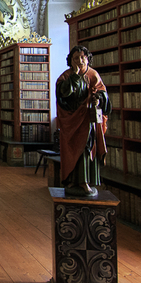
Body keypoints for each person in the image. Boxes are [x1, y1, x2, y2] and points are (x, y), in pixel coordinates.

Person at [55, 45, 111, 197]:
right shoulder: (65, 76)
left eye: (83, 57)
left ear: (87, 58)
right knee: (72, 149)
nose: (80, 61)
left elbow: (103, 92)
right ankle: (71, 180)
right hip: (72, 121)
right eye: (75, 58)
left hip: (87, 120)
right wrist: (75, 76)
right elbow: (62, 95)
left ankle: (85, 181)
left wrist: (98, 97)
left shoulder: (93, 74)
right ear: (70, 61)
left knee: (87, 149)